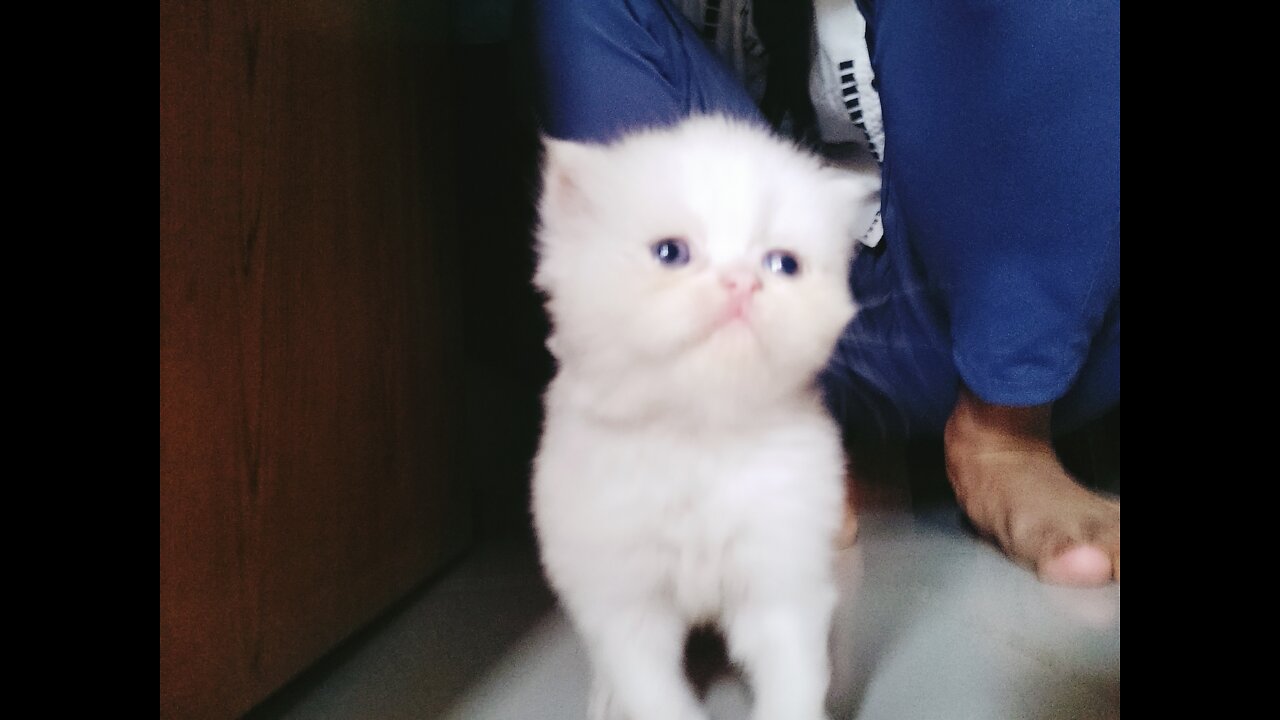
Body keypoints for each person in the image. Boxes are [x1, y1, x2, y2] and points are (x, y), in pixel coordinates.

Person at [531, 0, 1120, 586]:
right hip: (746, 345)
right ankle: (729, 446)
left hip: (1015, 332)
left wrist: (1011, 403)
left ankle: (1003, 439)